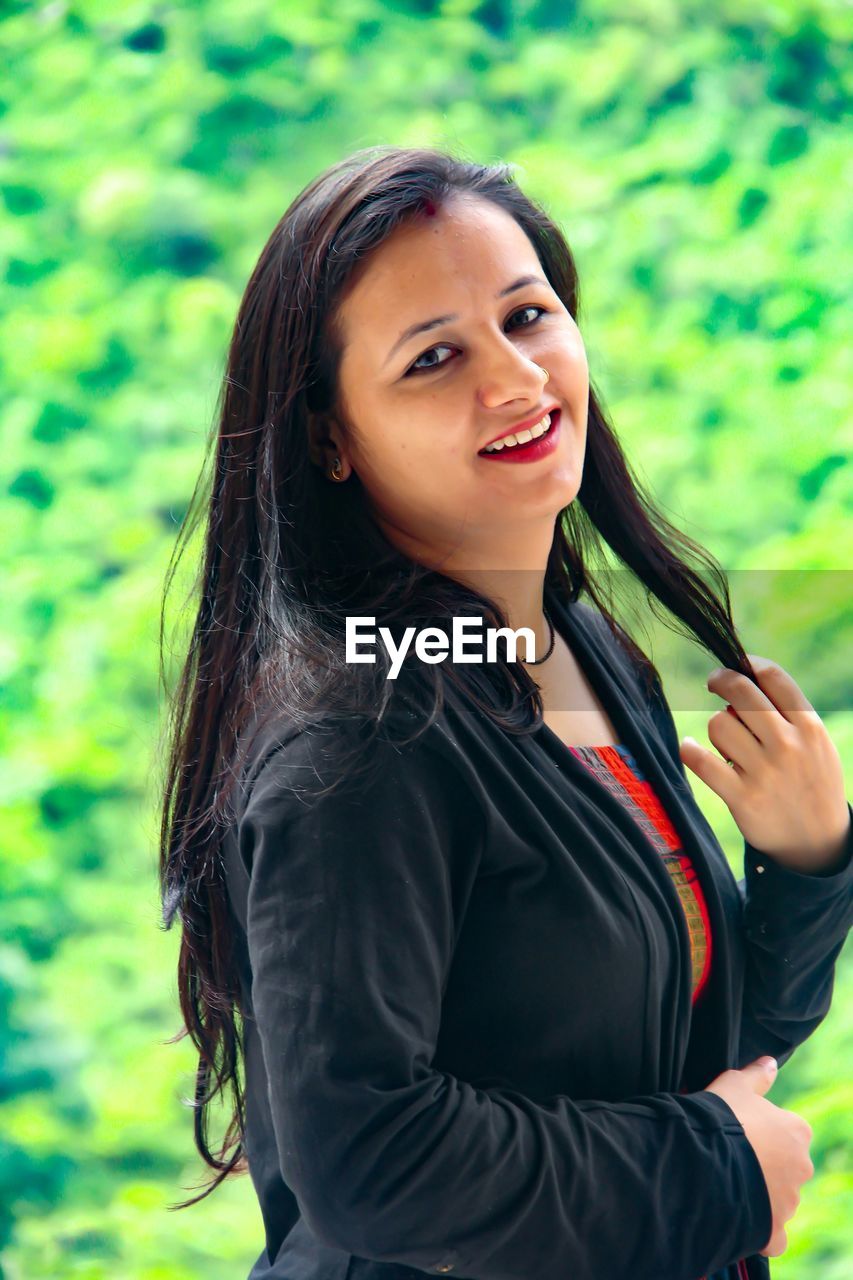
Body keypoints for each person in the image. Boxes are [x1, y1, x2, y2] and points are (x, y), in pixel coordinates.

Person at [157, 146, 853, 1280]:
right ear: (329, 436)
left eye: (526, 316)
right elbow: (367, 1156)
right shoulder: (360, 735)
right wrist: (714, 1169)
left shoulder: (570, 642)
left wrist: (803, 857)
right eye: (432, 357)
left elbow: (703, 1057)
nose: (514, 380)